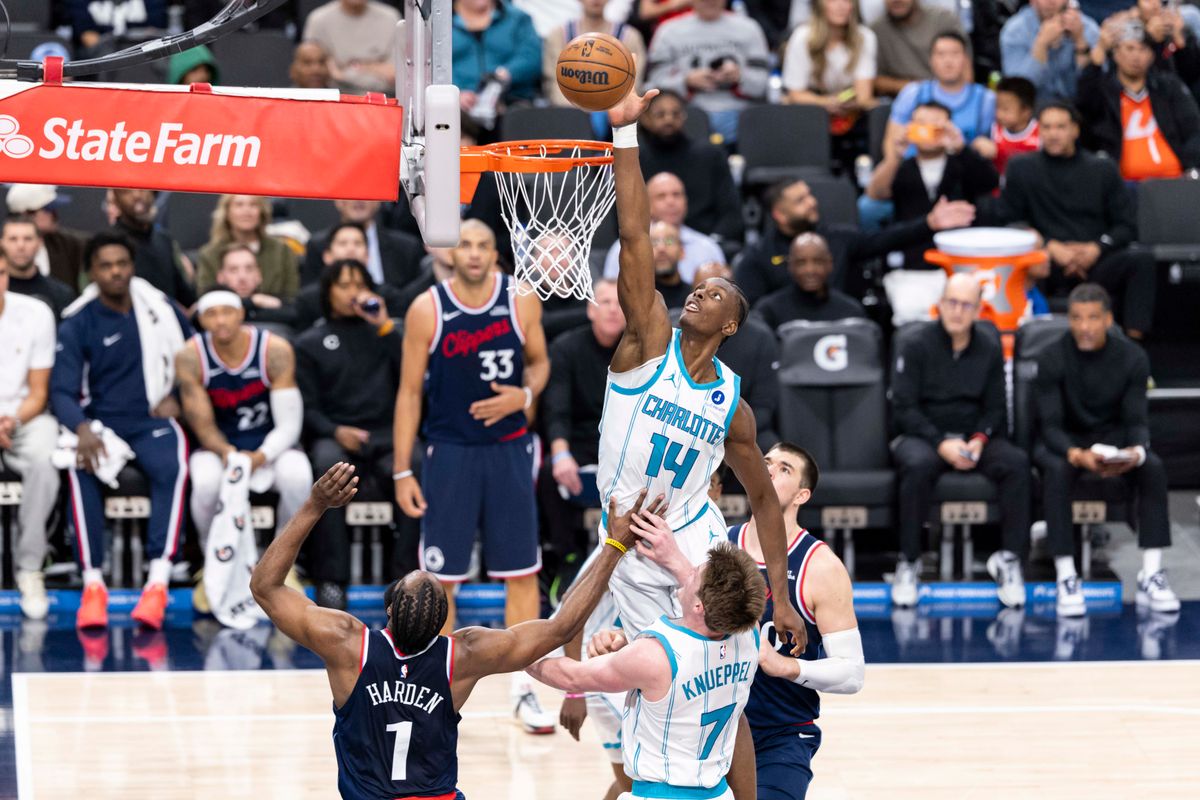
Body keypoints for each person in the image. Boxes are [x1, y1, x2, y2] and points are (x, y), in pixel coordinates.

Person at [598, 88, 807, 785]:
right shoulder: (644, 344)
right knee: (649, 700)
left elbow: (766, 502)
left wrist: (776, 591)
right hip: (627, 542)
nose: (698, 293)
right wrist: (622, 134)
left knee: (728, 695)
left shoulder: (731, 402)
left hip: (692, 534)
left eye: (715, 295)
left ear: (730, 326)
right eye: (696, 287)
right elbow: (634, 238)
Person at [250, 462, 652, 800]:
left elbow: (265, 587)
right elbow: (562, 626)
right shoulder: (462, 655)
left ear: (388, 609)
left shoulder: (346, 643)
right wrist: (613, 547)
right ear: (447, 626)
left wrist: (315, 504)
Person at [393, 219, 554, 734]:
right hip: (452, 453)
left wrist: (524, 397)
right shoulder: (427, 309)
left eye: (485, 244)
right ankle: (432, 687)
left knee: (522, 572)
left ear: (494, 252)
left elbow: (540, 363)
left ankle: (523, 687)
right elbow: (409, 395)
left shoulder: (522, 297)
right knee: (442, 579)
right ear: (449, 251)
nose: (477, 253)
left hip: (508, 450)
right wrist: (401, 469)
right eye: (466, 244)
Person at [527, 532, 764, 800]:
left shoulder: (656, 656)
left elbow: (570, 677)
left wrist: (520, 653)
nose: (691, 570)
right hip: (717, 792)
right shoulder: (750, 636)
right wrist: (673, 557)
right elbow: (720, 599)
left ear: (699, 605)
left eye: (697, 572)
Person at [51, 232, 194, 631]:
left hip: (151, 421)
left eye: (122, 264)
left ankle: (158, 581)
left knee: (174, 465)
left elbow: (193, 355)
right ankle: (93, 583)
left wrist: (180, 397)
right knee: (81, 468)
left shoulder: (158, 308)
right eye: (105, 265)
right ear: (91, 273)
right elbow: (61, 390)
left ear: (132, 266)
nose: (115, 272)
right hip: (100, 425)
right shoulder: (78, 322)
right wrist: (81, 429)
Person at [723, 443, 863, 800]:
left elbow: (852, 674)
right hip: (711, 728)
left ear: (803, 495)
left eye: (784, 469)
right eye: (766, 462)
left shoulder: (820, 566)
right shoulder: (718, 543)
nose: (769, 470)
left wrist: (784, 665)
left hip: (780, 735)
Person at [1033, 283, 1178, 617]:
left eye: (1093, 318)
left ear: (1108, 319)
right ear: (1068, 319)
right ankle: (1066, 574)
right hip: (1065, 442)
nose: (1085, 327)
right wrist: (1076, 454)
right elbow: (1050, 425)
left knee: (1152, 466)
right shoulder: (1051, 357)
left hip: (1112, 440)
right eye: (1077, 318)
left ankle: (1152, 572)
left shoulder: (1132, 357)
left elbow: (1137, 419)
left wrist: (1135, 451)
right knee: (1056, 467)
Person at [890, 275, 1032, 608]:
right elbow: (903, 408)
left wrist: (980, 440)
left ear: (978, 309)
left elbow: (996, 407)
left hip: (973, 436)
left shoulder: (989, 346)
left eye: (966, 304)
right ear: (940, 304)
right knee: (916, 464)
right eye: (951, 302)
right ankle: (909, 561)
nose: (957, 311)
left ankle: (1010, 560)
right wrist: (941, 443)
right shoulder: (916, 344)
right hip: (925, 435)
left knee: (1017, 463)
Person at [982, 102, 1154, 339]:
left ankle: (1134, 348)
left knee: (1141, 259)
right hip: (1046, 261)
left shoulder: (1102, 168)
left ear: (1075, 130)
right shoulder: (1021, 167)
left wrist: (1097, 248)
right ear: (1039, 131)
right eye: (1047, 127)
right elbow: (1008, 220)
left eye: (1061, 127)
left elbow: (1126, 225)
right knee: (1028, 262)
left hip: (1096, 260)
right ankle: (1028, 340)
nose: (1053, 134)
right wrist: (1049, 246)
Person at [176, 290, 312, 579]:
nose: (221, 320)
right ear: (201, 319)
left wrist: (262, 455)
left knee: (298, 476)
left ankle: (284, 560)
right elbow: (202, 424)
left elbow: (290, 424)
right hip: (219, 448)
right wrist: (227, 453)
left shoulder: (274, 350)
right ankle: (209, 557)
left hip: (271, 445)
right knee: (206, 484)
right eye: (212, 314)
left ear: (241, 314)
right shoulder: (190, 356)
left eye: (227, 312)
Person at [294, 260, 403, 609]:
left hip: (386, 434)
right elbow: (306, 407)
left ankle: (404, 580)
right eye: (343, 285)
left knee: (414, 462)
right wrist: (335, 430)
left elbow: (415, 382)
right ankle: (331, 580)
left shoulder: (388, 333)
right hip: (336, 433)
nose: (353, 292)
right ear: (328, 292)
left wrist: (385, 325)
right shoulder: (310, 342)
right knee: (328, 468)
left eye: (360, 284)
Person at [735, 177, 976, 305]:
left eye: (809, 195)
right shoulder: (758, 255)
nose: (812, 202)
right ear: (780, 214)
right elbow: (752, 310)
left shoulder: (837, 238)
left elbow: (885, 239)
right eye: (800, 200)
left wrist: (929, 223)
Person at [540, 279, 626, 577]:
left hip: (624, 442)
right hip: (581, 440)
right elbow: (556, 407)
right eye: (605, 302)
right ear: (590, 309)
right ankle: (566, 559)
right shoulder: (565, 348)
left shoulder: (640, 351)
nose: (613, 310)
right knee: (550, 470)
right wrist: (561, 453)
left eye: (620, 303)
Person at [866, 101, 999, 267]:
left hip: (958, 257)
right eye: (921, 123)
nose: (928, 129)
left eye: (935, 123)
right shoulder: (902, 166)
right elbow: (876, 194)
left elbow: (990, 183)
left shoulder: (963, 162)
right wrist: (895, 156)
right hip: (912, 260)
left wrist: (961, 148)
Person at [0, 258, 59, 620]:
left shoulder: (36, 313)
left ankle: (29, 567)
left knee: (46, 458)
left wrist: (12, 420)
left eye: (1, 274)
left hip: (23, 416)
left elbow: (38, 391)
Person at [1078, 25, 1200, 181]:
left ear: (1151, 55)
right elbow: (1084, 105)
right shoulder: (1103, 92)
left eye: (1143, 49)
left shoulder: (1168, 87)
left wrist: (1191, 169)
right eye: (1129, 48)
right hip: (1124, 186)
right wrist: (1095, 63)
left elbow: (1193, 129)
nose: (1136, 56)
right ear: (1115, 54)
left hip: (1175, 181)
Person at [645, 0, 771, 143]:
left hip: (740, 112)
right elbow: (655, 84)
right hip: (687, 114)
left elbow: (763, 84)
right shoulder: (668, 30)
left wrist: (739, 76)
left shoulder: (749, 28)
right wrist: (686, 81)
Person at [636, 91, 744, 248]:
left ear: (684, 117)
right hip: (651, 246)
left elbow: (731, 212)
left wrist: (710, 244)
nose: (669, 119)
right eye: (660, 114)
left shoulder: (711, 155)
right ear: (645, 119)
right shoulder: (635, 160)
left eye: (675, 113)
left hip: (706, 243)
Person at [882, 31, 995, 163]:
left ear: (966, 59)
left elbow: (989, 144)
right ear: (931, 60)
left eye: (955, 54)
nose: (948, 61)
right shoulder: (913, 93)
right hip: (915, 172)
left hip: (964, 174)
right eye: (941, 54)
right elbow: (891, 141)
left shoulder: (986, 99)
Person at [602, 172, 727, 283]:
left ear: (686, 201)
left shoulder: (708, 248)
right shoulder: (624, 247)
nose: (670, 201)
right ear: (646, 204)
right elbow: (611, 297)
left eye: (676, 195)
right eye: (661, 196)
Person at [782, 0, 879, 140]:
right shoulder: (802, 37)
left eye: (846, 1)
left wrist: (846, 103)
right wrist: (825, 102)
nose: (840, 6)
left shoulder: (865, 37)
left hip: (852, 111)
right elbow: (795, 94)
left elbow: (864, 96)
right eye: (832, 0)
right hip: (810, 110)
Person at [301, 201, 425, 299]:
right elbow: (308, 299)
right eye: (343, 244)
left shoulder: (406, 247)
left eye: (367, 192)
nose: (359, 200)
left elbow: (413, 298)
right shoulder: (317, 245)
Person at [752, 232, 868, 331]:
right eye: (801, 263)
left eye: (818, 261)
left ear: (830, 264)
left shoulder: (851, 312)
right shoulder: (769, 311)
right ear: (790, 266)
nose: (810, 270)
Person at [452, 0, 543, 123]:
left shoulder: (517, 18)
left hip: (511, 103)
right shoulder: (439, 24)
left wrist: (506, 74)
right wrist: (454, 92)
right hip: (459, 109)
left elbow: (532, 57)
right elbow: (432, 65)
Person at [543, 0, 646, 106]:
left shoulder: (630, 36)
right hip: (569, 113)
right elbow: (554, 86)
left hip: (613, 113)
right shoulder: (559, 35)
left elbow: (633, 87)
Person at [196, 195, 299, 300]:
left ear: (262, 211)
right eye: (239, 205)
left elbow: (292, 297)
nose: (246, 211)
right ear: (226, 212)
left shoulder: (282, 250)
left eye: (253, 204)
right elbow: (205, 298)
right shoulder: (210, 254)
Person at [110, 188, 195, 307]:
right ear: (116, 200)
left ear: (153, 194)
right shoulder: (109, 243)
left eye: (143, 189)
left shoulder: (164, 240)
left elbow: (184, 293)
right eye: (126, 192)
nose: (137, 195)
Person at [1000, 0, 1100, 101]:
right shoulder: (1015, 30)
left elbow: (1096, 89)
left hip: (1078, 106)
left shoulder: (1087, 28)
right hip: (1033, 106)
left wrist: (1080, 40)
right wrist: (1041, 45)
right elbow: (1017, 92)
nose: (1051, 1)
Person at [871, 0, 969, 98]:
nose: (896, 0)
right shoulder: (876, 31)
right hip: (904, 98)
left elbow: (966, 71)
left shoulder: (943, 19)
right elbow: (873, 80)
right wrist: (917, 87)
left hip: (951, 95)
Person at [302, 0, 401, 94]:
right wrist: (375, 67)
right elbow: (311, 75)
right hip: (333, 103)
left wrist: (343, 75)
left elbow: (396, 76)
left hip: (384, 102)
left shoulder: (391, 18)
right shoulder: (318, 20)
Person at [5, 184, 87, 291]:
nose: (55, 215)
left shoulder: (66, 244)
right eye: (49, 209)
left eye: (28, 239)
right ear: (27, 214)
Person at [0, 216, 76, 320]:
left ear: (40, 243)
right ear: (2, 243)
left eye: (28, 239)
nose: (21, 246)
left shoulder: (61, 294)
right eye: (13, 239)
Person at [991, 77, 1041, 177]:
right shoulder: (994, 130)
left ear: (1026, 111)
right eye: (997, 107)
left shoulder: (1041, 133)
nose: (999, 114)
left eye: (1005, 109)